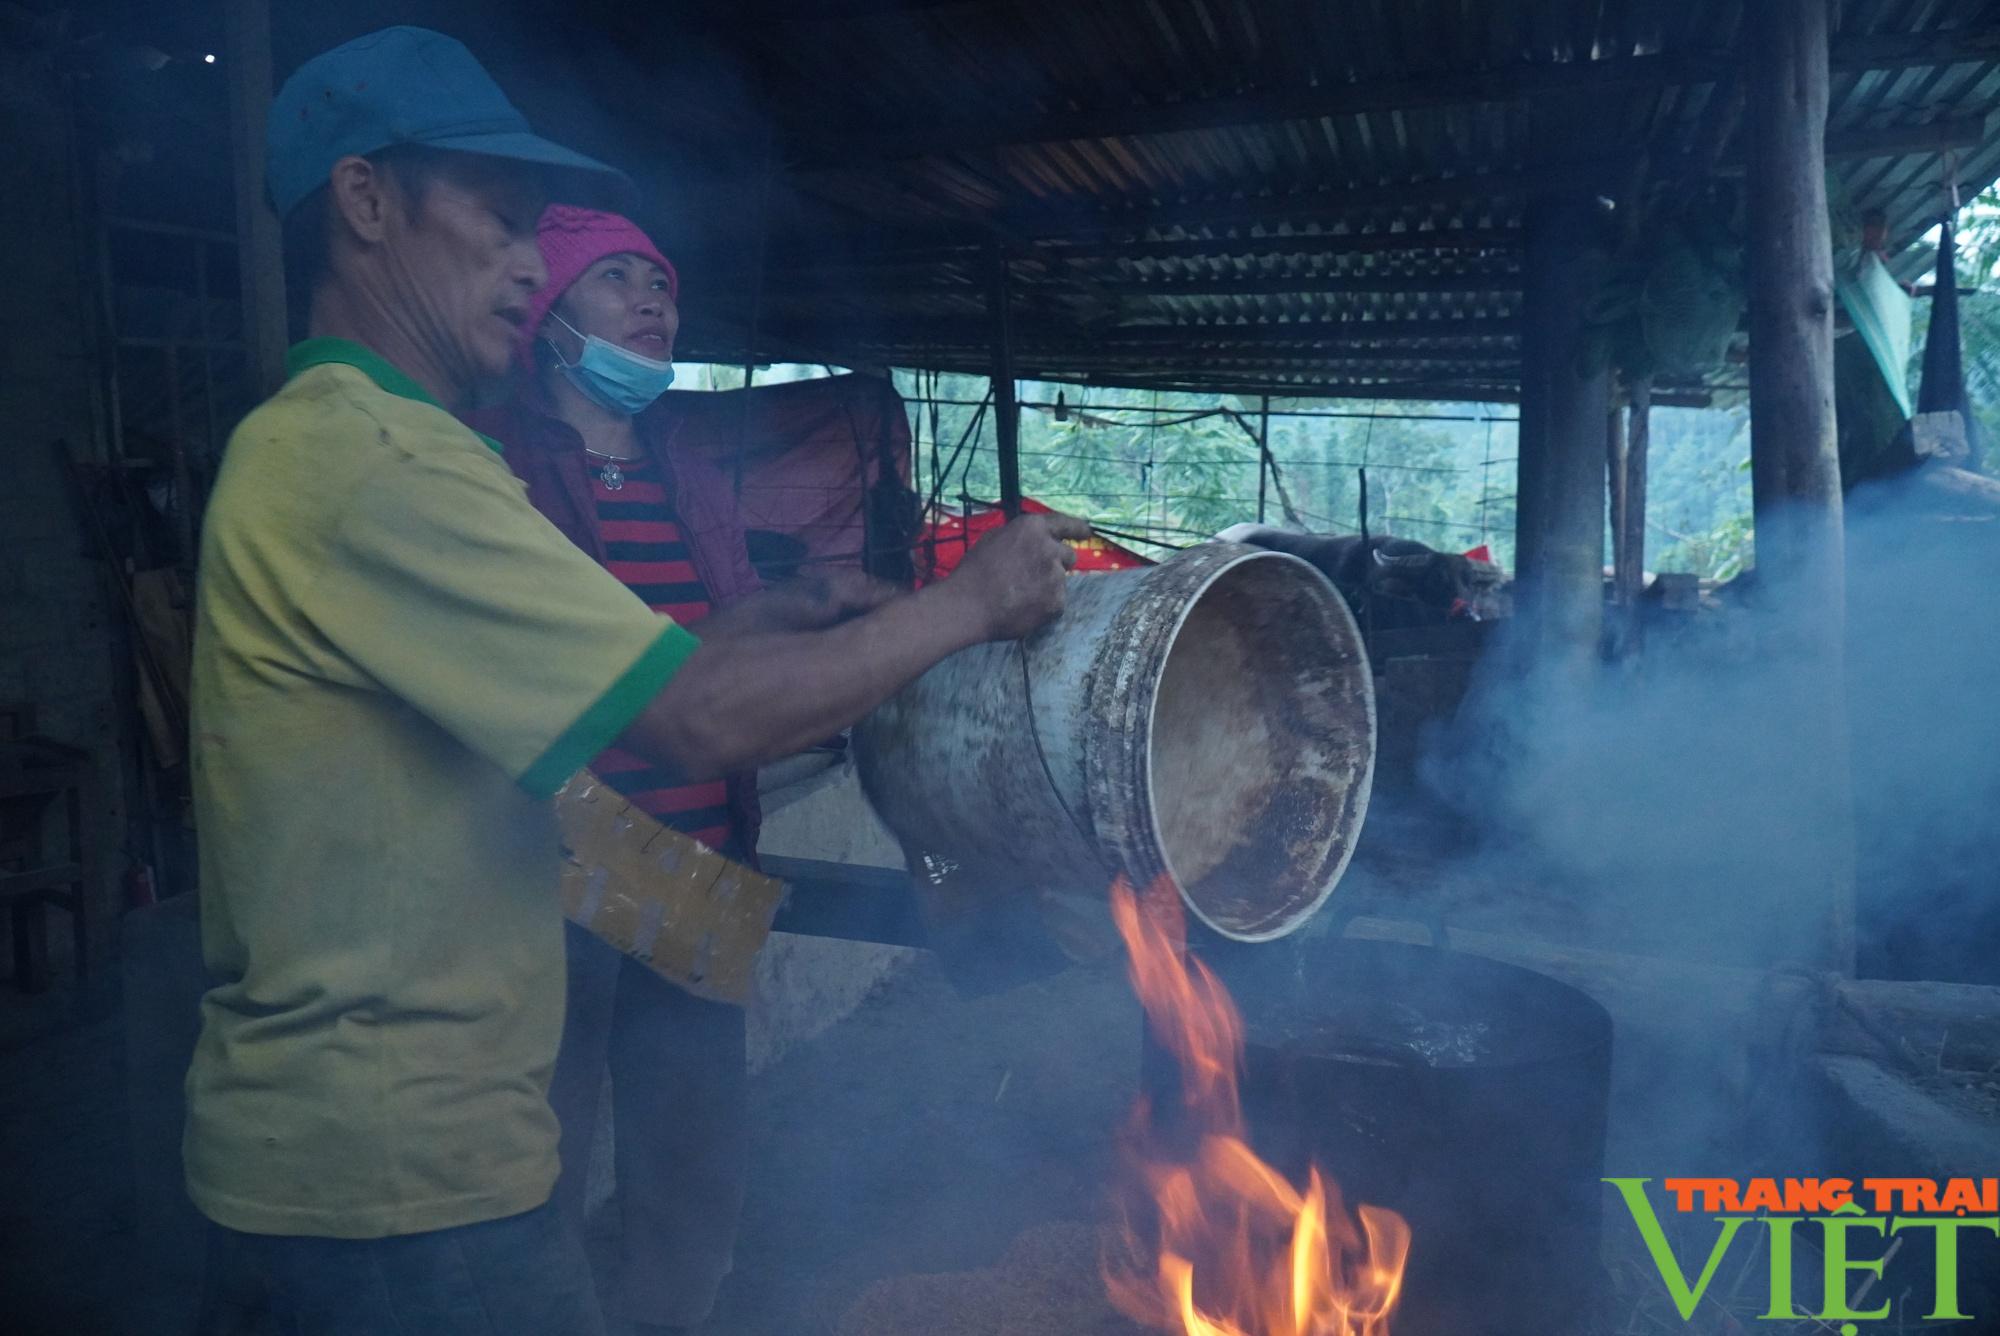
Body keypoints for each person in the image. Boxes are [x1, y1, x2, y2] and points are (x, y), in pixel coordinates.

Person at [185, 26, 1086, 1336]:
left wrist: (776, 610)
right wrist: (972, 602)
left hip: (379, 1165)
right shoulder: (382, 461)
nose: (521, 263)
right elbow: (690, 714)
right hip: (394, 1189)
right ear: (365, 202)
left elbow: (636, 660)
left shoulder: (356, 450)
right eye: (499, 222)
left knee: (683, 1177)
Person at [470, 206, 764, 1332]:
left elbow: (736, 641)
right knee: (536, 1163)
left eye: (662, 283)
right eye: (618, 279)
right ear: (548, 314)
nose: (653, 301)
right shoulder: (496, 462)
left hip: (697, 873)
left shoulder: (690, 468)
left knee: (692, 1175)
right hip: (550, 884)